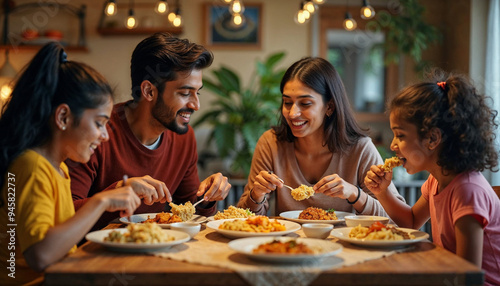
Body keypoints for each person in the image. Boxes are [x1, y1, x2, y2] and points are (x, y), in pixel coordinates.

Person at [0, 42, 141, 285]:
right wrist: (101, 201)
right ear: (63, 116)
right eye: (99, 123)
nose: (105, 136)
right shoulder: (33, 166)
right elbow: (41, 256)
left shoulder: (58, 167)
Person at [67, 33, 231, 231]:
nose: (196, 105)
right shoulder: (97, 131)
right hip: (92, 255)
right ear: (149, 91)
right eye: (185, 93)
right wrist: (119, 191)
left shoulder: (184, 137)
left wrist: (207, 196)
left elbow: (189, 210)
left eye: (198, 92)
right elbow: (64, 215)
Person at [364, 70, 500, 285]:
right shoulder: (437, 180)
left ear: (432, 138)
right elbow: (410, 222)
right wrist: (382, 191)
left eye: (400, 135)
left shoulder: (467, 191)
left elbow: (468, 275)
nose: (392, 146)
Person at [237, 57, 404, 216]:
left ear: (329, 106)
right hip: (287, 245)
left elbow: (396, 220)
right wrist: (256, 195)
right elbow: (242, 220)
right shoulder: (271, 143)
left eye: (305, 103)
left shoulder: (360, 149)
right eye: (287, 102)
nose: (293, 113)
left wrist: (354, 194)